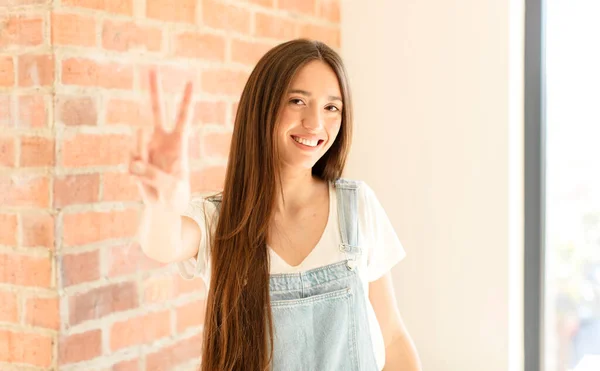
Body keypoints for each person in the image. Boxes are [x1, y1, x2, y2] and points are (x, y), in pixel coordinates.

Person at [130, 39, 421, 371]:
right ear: (262, 106)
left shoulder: (356, 205)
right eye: (297, 101)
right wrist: (163, 203)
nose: (315, 123)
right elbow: (163, 244)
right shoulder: (219, 219)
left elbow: (393, 337)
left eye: (331, 107)